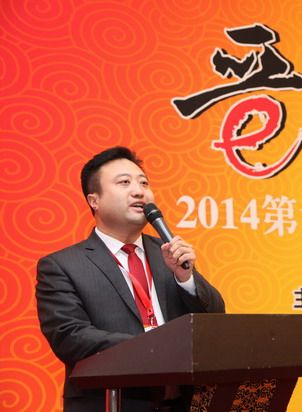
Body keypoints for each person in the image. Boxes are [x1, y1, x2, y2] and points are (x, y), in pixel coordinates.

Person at [36, 146, 225, 411]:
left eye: (144, 183)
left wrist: (186, 278)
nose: (139, 191)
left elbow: (216, 321)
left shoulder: (168, 254)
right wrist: (154, 346)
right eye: (124, 182)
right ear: (94, 201)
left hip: (181, 403)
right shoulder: (62, 266)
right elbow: (69, 337)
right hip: (111, 402)